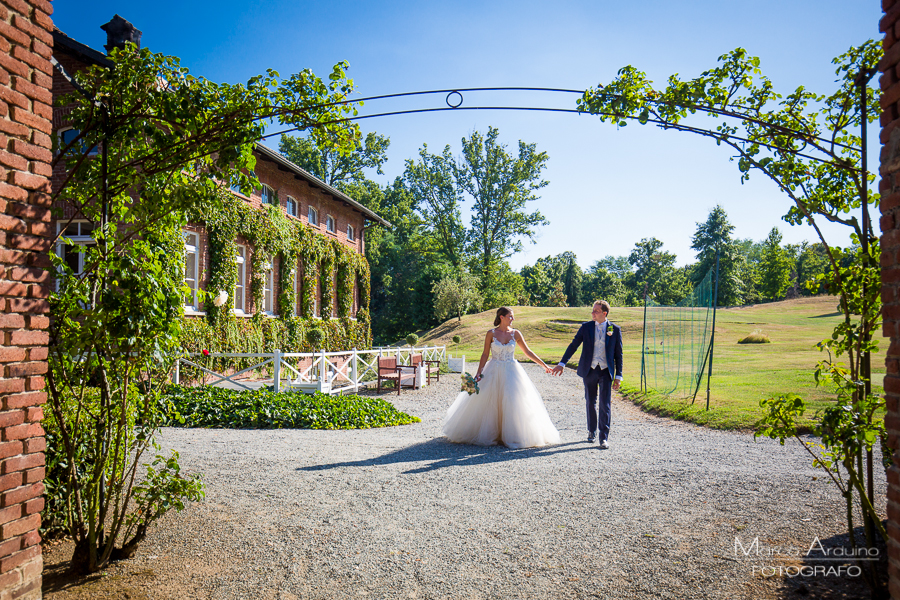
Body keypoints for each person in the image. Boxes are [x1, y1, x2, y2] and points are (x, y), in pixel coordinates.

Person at [443, 307, 561, 449]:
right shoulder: (491, 334)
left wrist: (544, 365)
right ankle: (492, 433)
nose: (513, 319)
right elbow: (485, 354)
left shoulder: (516, 333)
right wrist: (478, 372)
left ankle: (513, 434)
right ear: (502, 317)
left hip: (512, 371)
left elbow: (527, 351)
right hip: (493, 369)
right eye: (510, 316)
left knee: (513, 400)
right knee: (490, 402)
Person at [551, 300, 623, 449]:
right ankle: (592, 431)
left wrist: (618, 376)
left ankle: (603, 438)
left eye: (596, 311)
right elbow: (573, 345)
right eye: (592, 310)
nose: (592, 313)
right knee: (590, 401)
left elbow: (618, 354)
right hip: (589, 369)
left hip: (605, 370)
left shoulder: (614, 329)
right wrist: (562, 363)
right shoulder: (586, 327)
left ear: (604, 313)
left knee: (605, 404)